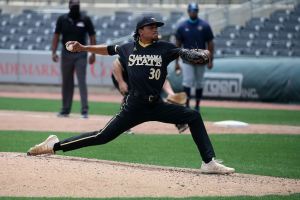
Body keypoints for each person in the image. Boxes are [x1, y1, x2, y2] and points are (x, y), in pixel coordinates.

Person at [28, 16, 234, 174]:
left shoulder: (165, 48)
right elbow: (108, 49)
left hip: (156, 105)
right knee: (101, 137)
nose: (156, 29)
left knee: (193, 116)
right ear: (140, 31)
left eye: (157, 27)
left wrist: (203, 54)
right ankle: (53, 145)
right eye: (151, 27)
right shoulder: (128, 48)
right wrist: (83, 47)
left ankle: (208, 162)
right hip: (134, 106)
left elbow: (184, 52)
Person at [111, 58, 188, 134]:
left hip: (138, 78)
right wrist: (121, 82)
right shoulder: (137, 54)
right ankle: (123, 126)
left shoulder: (159, 60)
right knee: (132, 96)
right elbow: (116, 64)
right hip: (121, 75)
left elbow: (163, 80)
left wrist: (172, 94)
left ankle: (178, 121)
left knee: (154, 99)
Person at [51, 0, 96, 118]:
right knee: (66, 82)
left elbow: (92, 36)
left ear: (79, 6)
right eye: (73, 5)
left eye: (77, 5)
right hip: (66, 54)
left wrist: (93, 54)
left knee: (81, 81)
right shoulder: (62, 19)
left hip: (81, 54)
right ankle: (65, 110)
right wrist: (54, 51)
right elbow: (56, 35)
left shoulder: (85, 19)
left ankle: (84, 110)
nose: (75, 7)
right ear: (69, 6)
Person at [175, 2, 214, 112]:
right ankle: (187, 105)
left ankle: (197, 105)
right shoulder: (182, 26)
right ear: (188, 11)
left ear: (198, 11)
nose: (193, 12)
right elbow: (177, 45)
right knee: (187, 82)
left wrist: (211, 59)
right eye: (192, 10)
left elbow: (210, 43)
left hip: (201, 58)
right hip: (187, 59)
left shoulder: (205, 26)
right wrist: (176, 62)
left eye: (195, 10)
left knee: (199, 82)